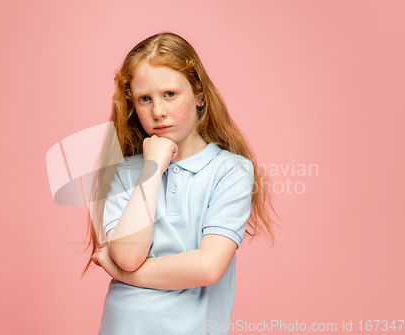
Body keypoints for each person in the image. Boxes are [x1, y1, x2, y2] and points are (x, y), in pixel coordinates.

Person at [82, 32, 279, 335]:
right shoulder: (125, 171)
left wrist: (122, 273)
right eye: (144, 99)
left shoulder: (231, 171)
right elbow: (128, 255)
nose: (158, 111)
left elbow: (207, 267)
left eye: (170, 94)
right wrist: (152, 168)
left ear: (199, 94)